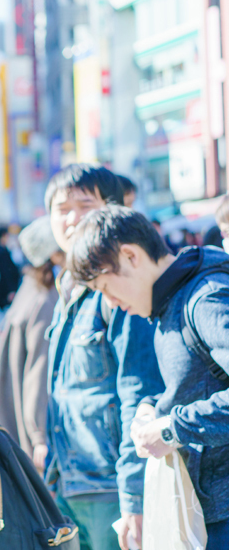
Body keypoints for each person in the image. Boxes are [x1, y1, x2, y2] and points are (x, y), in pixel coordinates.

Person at [66, 205, 229, 548]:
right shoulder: (170, 300)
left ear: (130, 255)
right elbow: (199, 383)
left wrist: (173, 428)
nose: (108, 301)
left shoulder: (204, 298)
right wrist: (150, 407)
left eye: (105, 286)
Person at [44, 164, 164, 550]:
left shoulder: (120, 289)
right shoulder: (67, 288)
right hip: (69, 481)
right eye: (62, 208)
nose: (73, 217)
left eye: (85, 204)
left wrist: (134, 496)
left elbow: (139, 394)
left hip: (111, 489)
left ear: (111, 210)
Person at [0, 217, 61, 471]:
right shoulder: (46, 302)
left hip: (10, 420)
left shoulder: (29, 289)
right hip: (28, 431)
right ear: (55, 256)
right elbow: (39, 370)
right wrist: (39, 435)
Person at [0, 225, 21, 311]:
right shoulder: (2, 252)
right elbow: (7, 272)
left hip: (2, 291)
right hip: (5, 292)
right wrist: (11, 290)